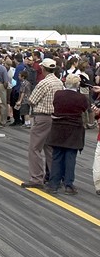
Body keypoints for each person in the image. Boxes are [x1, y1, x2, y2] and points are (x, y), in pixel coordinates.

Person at [21, 57, 63, 190]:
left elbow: (32, 100)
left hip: (43, 117)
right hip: (55, 117)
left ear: (43, 69)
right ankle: (55, 178)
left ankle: (36, 178)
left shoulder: (43, 83)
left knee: (34, 148)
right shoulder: (59, 82)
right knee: (50, 149)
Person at [45, 74, 90, 195]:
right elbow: (85, 108)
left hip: (58, 127)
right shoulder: (81, 98)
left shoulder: (58, 94)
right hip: (74, 128)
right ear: (78, 84)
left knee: (57, 156)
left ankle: (53, 184)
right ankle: (68, 185)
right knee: (70, 158)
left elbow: (55, 105)